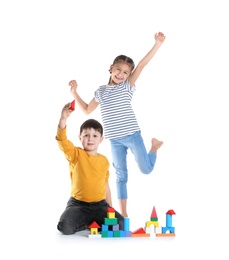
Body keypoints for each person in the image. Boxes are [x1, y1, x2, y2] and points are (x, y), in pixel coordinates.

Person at [69, 32, 166, 217]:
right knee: (121, 176)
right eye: (118, 70)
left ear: (129, 75)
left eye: (126, 72)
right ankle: (124, 214)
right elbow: (87, 110)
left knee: (146, 170)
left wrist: (157, 44)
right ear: (111, 68)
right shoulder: (101, 91)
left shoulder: (126, 86)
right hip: (114, 140)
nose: (121, 74)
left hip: (132, 135)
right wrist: (75, 91)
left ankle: (154, 147)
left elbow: (143, 64)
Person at [56, 102, 124, 235]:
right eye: (86, 135)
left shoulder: (104, 161)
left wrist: (110, 208)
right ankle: (86, 223)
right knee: (65, 227)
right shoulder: (76, 154)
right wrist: (63, 119)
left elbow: (106, 186)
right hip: (78, 205)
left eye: (95, 135)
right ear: (80, 138)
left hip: (100, 206)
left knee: (120, 224)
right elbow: (62, 142)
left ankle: (93, 222)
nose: (90, 139)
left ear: (101, 139)